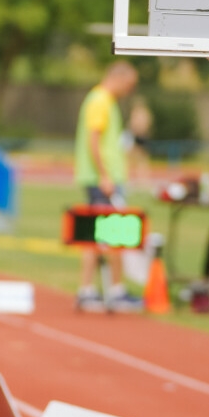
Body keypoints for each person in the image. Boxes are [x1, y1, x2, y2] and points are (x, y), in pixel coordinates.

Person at [74, 61, 142, 312]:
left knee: (100, 233)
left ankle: (90, 289)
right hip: (103, 180)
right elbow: (93, 138)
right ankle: (112, 290)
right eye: (129, 84)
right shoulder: (100, 101)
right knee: (114, 233)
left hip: (104, 178)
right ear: (119, 77)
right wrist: (104, 175)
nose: (129, 90)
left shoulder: (103, 101)